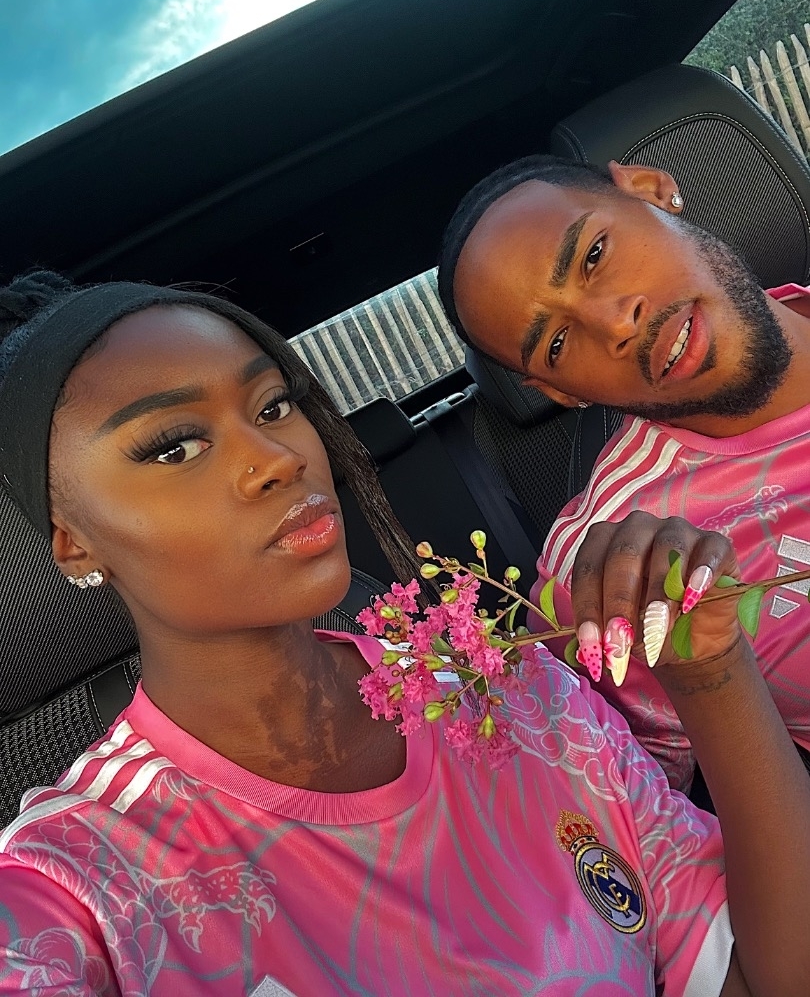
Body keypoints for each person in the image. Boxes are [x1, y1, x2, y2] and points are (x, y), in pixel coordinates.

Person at [0, 272, 809, 997]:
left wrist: (710, 671)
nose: (277, 458)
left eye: (273, 406)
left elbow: (766, 975)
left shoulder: (516, 692)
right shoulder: (78, 881)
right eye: (175, 447)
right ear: (73, 541)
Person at [436, 153, 810, 796]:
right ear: (560, 391)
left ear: (651, 189)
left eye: (594, 255)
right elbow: (630, 827)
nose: (615, 323)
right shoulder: (616, 572)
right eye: (556, 344)